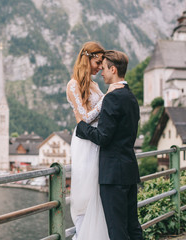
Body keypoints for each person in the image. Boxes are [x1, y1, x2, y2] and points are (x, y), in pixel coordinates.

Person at [76, 50, 143, 240]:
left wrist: (81, 127)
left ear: (113, 69)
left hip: (113, 175)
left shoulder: (113, 98)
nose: (101, 72)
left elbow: (103, 137)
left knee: (117, 230)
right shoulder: (130, 97)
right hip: (129, 170)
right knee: (132, 226)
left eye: (104, 68)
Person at [66, 42, 123, 240]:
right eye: (98, 62)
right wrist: (108, 98)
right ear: (86, 59)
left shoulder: (94, 85)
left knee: (99, 190)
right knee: (86, 191)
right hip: (85, 140)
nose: (100, 67)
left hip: (99, 139)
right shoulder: (73, 85)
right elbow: (84, 119)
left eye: (102, 63)